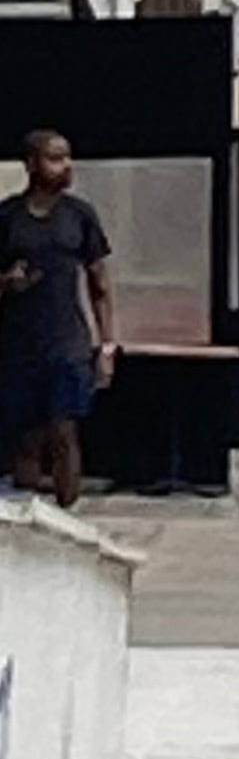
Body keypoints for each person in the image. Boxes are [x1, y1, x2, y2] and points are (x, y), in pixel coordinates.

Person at [1, 130, 116, 506]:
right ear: (31, 164)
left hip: (67, 341)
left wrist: (106, 345)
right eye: (54, 158)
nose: (65, 166)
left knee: (64, 431)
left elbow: (100, 283)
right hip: (18, 344)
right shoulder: (7, 218)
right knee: (26, 434)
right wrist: (7, 282)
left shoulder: (79, 215)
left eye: (67, 157)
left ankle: (69, 513)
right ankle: (25, 517)